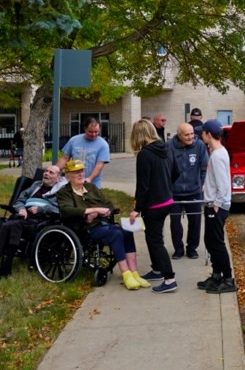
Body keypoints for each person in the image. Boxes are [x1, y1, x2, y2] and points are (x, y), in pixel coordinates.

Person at [58, 160, 151, 290]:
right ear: (68, 175)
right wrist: (92, 211)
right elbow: (67, 210)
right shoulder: (64, 192)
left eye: (81, 171)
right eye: (75, 172)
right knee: (116, 233)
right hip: (84, 229)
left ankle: (134, 273)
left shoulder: (91, 188)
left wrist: (101, 212)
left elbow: (108, 205)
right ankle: (126, 274)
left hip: (102, 223)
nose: (80, 174)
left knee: (127, 230)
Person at [0, 165, 67, 279]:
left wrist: (41, 209)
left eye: (51, 172)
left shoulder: (61, 191)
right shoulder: (36, 185)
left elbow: (61, 209)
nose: (46, 173)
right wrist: (21, 208)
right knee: (8, 224)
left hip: (41, 220)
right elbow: (20, 199)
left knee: (12, 225)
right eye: (46, 171)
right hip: (24, 216)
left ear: (58, 178)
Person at [128, 119, 179, 293]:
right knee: (153, 237)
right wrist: (166, 186)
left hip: (153, 205)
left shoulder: (144, 154)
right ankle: (157, 269)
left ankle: (169, 278)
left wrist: (136, 209)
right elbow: (176, 172)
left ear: (138, 135)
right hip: (167, 200)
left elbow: (143, 186)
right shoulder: (167, 148)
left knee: (155, 241)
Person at [197, 119, 237, 294]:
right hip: (212, 203)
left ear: (209, 134)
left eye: (203, 132)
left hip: (217, 206)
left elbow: (223, 184)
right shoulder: (216, 153)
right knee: (210, 241)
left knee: (217, 243)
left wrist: (218, 204)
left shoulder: (218, 155)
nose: (201, 135)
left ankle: (228, 279)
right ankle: (216, 275)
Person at [168, 122, 208, 260]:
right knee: (175, 222)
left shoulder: (200, 145)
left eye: (192, 133)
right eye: (187, 134)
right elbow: (165, 167)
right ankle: (178, 249)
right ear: (179, 135)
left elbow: (204, 167)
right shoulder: (169, 146)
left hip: (194, 191)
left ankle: (192, 248)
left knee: (195, 221)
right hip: (174, 192)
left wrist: (202, 183)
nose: (191, 137)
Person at [56, 116, 110, 187]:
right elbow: (65, 158)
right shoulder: (74, 140)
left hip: (92, 183)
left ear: (99, 129)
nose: (93, 134)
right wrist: (55, 171)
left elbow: (99, 165)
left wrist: (89, 179)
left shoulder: (103, 144)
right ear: (85, 128)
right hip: (73, 180)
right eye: (90, 132)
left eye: (96, 132)